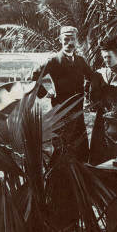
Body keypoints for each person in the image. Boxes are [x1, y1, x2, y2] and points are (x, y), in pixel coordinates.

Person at [31, 25, 95, 159]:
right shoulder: (53, 60)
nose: (69, 43)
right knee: (61, 149)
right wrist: (45, 92)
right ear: (60, 40)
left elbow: (91, 77)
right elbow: (34, 75)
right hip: (60, 112)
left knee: (80, 149)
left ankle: (80, 177)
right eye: (66, 39)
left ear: (76, 41)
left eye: (72, 39)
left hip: (78, 112)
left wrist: (87, 94)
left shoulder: (80, 61)